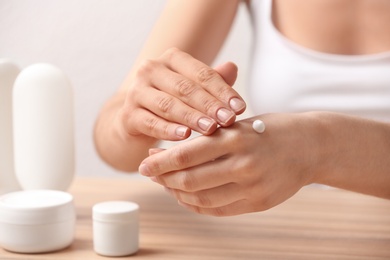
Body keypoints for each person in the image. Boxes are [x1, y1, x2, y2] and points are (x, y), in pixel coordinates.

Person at [94, 0, 390, 216]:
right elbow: (116, 145)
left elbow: (314, 149)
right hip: (298, 235)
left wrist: (318, 148)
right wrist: (134, 120)